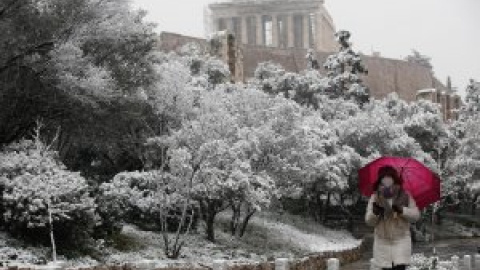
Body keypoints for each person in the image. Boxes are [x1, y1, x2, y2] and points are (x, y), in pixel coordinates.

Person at [365, 165, 420, 270]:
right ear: (380, 180)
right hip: (382, 242)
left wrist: (402, 210)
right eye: (383, 177)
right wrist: (375, 213)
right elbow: (369, 221)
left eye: (389, 177)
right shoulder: (375, 197)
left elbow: (415, 216)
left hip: (401, 241)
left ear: (394, 178)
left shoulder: (405, 195)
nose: (386, 180)